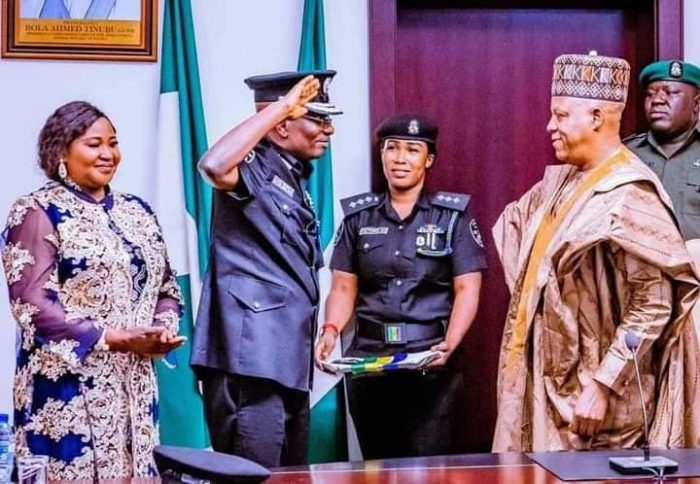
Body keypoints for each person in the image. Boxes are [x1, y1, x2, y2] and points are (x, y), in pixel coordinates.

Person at [492, 53, 700, 453]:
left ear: (596, 117)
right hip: (552, 385)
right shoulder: (564, 182)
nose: (550, 126)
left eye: (560, 115)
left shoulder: (630, 194)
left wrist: (603, 384)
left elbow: (655, 304)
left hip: (595, 405)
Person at [1, 101, 185, 480]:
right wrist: (114, 338)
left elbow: (166, 288)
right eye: (94, 144)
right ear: (60, 152)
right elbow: (32, 304)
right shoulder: (37, 211)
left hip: (135, 388)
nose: (107, 154)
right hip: (65, 389)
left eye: (113, 143)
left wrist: (161, 331)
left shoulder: (137, 211)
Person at [191, 70, 341, 467]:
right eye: (317, 119)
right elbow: (213, 165)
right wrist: (281, 107)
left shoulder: (291, 175)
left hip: (283, 358)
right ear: (282, 125)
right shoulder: (253, 165)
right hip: (250, 362)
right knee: (255, 475)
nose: (328, 130)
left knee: (288, 476)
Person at [314, 114, 486, 459]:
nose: (400, 158)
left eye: (412, 150)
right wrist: (330, 329)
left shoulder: (452, 217)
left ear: (428, 159)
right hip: (370, 361)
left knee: (428, 468)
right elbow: (344, 288)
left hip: (429, 360)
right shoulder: (358, 218)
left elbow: (467, 289)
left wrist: (450, 344)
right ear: (382, 155)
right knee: (377, 467)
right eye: (391, 148)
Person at [624, 60, 700, 242]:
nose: (657, 100)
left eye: (671, 93)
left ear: (696, 105)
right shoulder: (625, 155)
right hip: (634, 259)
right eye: (650, 94)